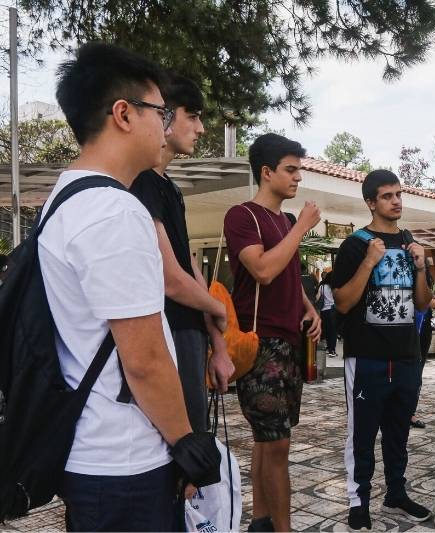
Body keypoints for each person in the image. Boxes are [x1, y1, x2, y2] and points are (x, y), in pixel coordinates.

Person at [43, 43, 219, 530]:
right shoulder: (113, 211)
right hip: (126, 460)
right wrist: (187, 444)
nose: (165, 126)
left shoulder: (66, 198)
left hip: (92, 451)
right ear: (123, 114)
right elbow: (143, 360)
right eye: (159, 111)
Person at [223, 133, 322, 532]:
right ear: (267, 172)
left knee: (270, 439)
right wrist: (300, 230)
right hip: (259, 340)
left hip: (288, 340)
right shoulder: (242, 215)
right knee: (276, 443)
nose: (298, 177)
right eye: (290, 169)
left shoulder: (283, 220)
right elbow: (262, 268)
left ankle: (261, 520)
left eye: (300, 169)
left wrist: (307, 305)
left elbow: (286, 274)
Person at [129, 73, 234, 431]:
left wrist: (218, 344)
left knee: (196, 443)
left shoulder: (169, 188)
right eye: (193, 116)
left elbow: (190, 269)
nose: (201, 128)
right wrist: (219, 309)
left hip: (190, 333)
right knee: (181, 449)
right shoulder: (140, 182)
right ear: (165, 118)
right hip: (166, 333)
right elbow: (170, 280)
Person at [331, 169, 433, 532]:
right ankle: (358, 501)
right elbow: (342, 302)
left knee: (398, 432)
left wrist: (421, 267)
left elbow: (423, 304)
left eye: (399, 194)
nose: (396, 201)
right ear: (371, 202)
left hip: (406, 355)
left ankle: (396, 491)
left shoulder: (410, 244)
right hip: (367, 357)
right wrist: (369, 262)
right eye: (388, 196)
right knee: (360, 434)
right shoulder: (356, 245)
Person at [410, 277, 435, 430]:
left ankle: (411, 412)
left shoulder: (425, 277)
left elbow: (434, 302)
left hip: (423, 329)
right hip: (407, 327)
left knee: (417, 372)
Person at [317, 270, 337, 357]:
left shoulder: (321, 287)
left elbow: (317, 298)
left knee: (327, 330)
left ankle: (329, 347)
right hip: (333, 310)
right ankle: (332, 350)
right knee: (333, 331)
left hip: (324, 311)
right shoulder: (335, 287)